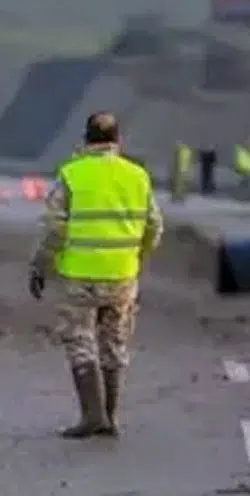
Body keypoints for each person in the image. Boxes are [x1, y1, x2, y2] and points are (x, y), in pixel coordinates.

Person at [27, 112, 163, 439]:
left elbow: (54, 228)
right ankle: (110, 417)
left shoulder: (73, 174)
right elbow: (155, 225)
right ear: (118, 141)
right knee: (115, 342)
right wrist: (136, 257)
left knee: (80, 340)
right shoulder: (137, 176)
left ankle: (91, 415)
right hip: (122, 276)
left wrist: (40, 264)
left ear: (86, 140)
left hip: (80, 276)